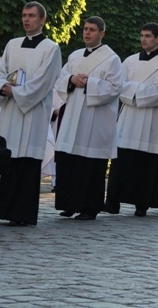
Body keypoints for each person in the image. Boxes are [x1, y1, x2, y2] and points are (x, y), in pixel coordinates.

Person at [0, 1, 62, 226]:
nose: (26, 19)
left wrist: (16, 92)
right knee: (11, 160)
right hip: (12, 112)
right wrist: (2, 86)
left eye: (31, 15)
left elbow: (43, 82)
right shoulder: (12, 45)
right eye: (24, 15)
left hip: (33, 113)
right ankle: (5, 210)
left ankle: (23, 213)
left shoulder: (51, 48)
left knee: (27, 162)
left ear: (42, 20)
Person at [54, 17, 122, 220]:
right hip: (73, 113)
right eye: (85, 29)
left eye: (92, 30)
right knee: (70, 161)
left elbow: (115, 88)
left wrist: (90, 82)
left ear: (102, 33)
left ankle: (90, 207)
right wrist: (71, 79)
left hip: (95, 119)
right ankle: (69, 203)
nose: (87, 33)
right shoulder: (75, 56)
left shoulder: (111, 59)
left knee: (90, 164)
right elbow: (60, 79)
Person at [105, 22, 158, 217]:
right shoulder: (129, 61)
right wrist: (137, 90)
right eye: (142, 35)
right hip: (128, 118)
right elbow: (119, 86)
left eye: (148, 36)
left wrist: (133, 90)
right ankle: (112, 202)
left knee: (146, 163)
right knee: (121, 161)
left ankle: (141, 203)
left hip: (152, 121)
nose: (144, 39)